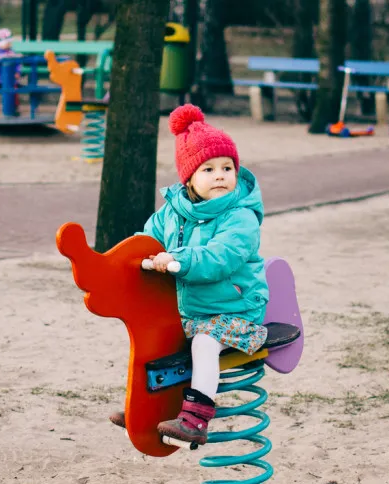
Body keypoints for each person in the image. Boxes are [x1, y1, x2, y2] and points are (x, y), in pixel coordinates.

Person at [109, 104, 270, 446]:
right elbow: (147, 240)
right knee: (156, 340)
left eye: (228, 168)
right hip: (190, 311)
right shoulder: (172, 213)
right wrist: (134, 258)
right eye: (209, 169)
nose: (220, 176)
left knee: (205, 343)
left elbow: (220, 257)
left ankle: (197, 419)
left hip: (235, 309)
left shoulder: (240, 217)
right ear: (189, 178)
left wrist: (178, 260)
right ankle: (146, 407)